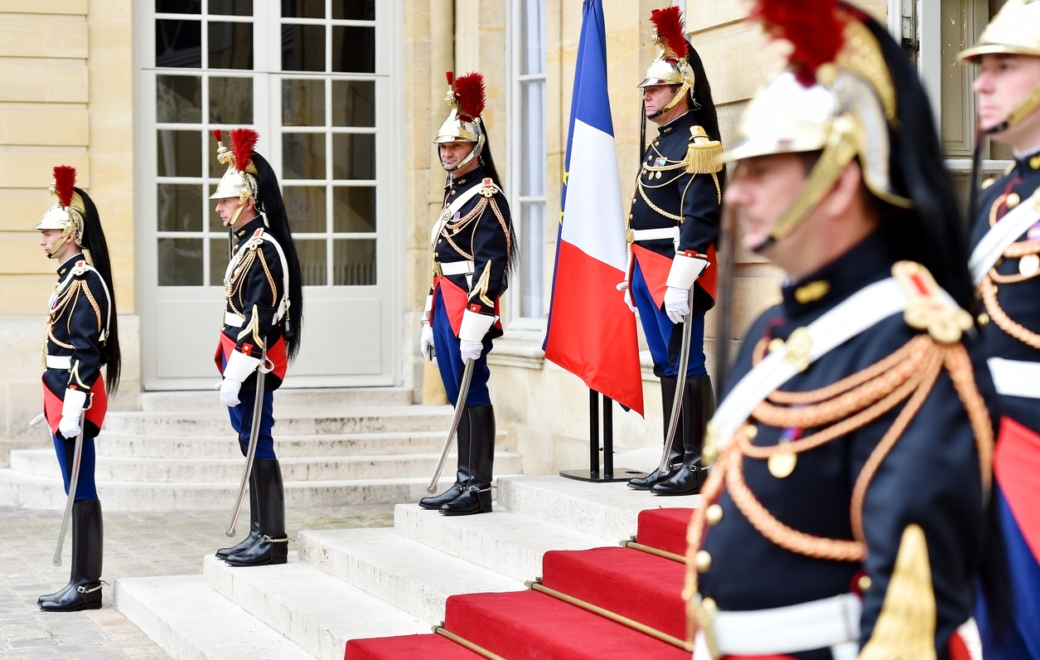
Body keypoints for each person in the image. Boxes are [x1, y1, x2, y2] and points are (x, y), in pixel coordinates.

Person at [683, 2, 997, 658]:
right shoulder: (776, 332)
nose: (736, 195)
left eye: (763, 171)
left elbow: (908, 612)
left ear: (839, 181)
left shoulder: (913, 347)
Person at [960, 1, 1040, 655]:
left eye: (1004, 67)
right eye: (980, 67)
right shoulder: (998, 198)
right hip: (989, 449)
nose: (981, 82)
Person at [620, 7, 724, 496]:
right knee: (665, 362)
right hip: (647, 264)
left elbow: (703, 211)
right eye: (645, 89)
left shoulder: (695, 141)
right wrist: (632, 268)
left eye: (656, 89)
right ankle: (672, 455)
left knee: (688, 361)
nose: (647, 96)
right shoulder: (661, 143)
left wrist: (685, 272)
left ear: (681, 90)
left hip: (677, 266)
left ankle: (697, 462)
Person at [418, 72, 514, 516]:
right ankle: (462, 479)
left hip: (469, 305)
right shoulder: (454, 192)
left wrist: (477, 319)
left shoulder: (487, 195)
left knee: (472, 391)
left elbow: (492, 264)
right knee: (458, 391)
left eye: (455, 146)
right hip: (446, 300)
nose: (448, 153)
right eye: (444, 146)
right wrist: (427, 317)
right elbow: (439, 261)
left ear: (475, 148)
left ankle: (479, 486)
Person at [209, 129, 304, 566]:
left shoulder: (263, 249)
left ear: (246, 201)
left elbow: (261, 318)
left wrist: (237, 370)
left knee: (258, 441)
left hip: (252, 360)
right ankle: (258, 531)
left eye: (225, 200)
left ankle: (273, 537)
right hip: (240, 356)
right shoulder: (248, 245)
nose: (219, 207)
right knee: (250, 442)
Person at [35, 165, 121, 612]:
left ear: (69, 233)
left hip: (74, 399)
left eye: (49, 232)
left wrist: (73, 406)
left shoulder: (86, 282)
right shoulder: (68, 278)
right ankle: (80, 581)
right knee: (74, 482)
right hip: (60, 395)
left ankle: (86, 585)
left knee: (80, 485)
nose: (43, 239)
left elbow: (88, 352)